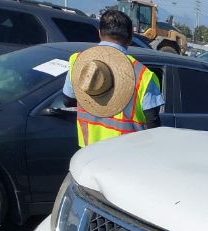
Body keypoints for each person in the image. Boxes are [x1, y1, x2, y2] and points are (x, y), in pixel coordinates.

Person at [62, 10, 164, 147]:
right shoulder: (142, 74)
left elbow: (68, 100)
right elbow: (153, 124)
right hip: (124, 158)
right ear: (130, 38)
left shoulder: (78, 60)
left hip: (88, 153)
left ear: (99, 33)